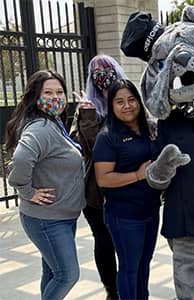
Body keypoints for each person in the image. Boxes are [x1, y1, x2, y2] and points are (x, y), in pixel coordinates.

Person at [6, 70, 86, 300]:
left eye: (60, 92)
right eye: (48, 92)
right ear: (35, 96)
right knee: (67, 274)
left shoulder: (53, 123)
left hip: (59, 215)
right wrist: (26, 191)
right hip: (47, 219)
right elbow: (20, 160)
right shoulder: (40, 127)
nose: (56, 98)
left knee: (52, 272)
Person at [93, 79, 161, 300]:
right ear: (111, 106)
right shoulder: (107, 137)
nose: (127, 106)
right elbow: (103, 179)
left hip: (150, 210)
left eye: (131, 99)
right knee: (130, 268)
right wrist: (137, 175)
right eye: (119, 101)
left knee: (144, 265)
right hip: (124, 215)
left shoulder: (149, 128)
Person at [70, 54, 128, 299]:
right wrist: (88, 116)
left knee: (127, 242)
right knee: (103, 241)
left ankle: (129, 285)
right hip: (96, 193)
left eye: (107, 69)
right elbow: (89, 150)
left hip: (127, 188)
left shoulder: (128, 101)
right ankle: (111, 290)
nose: (103, 75)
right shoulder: (85, 109)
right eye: (97, 71)